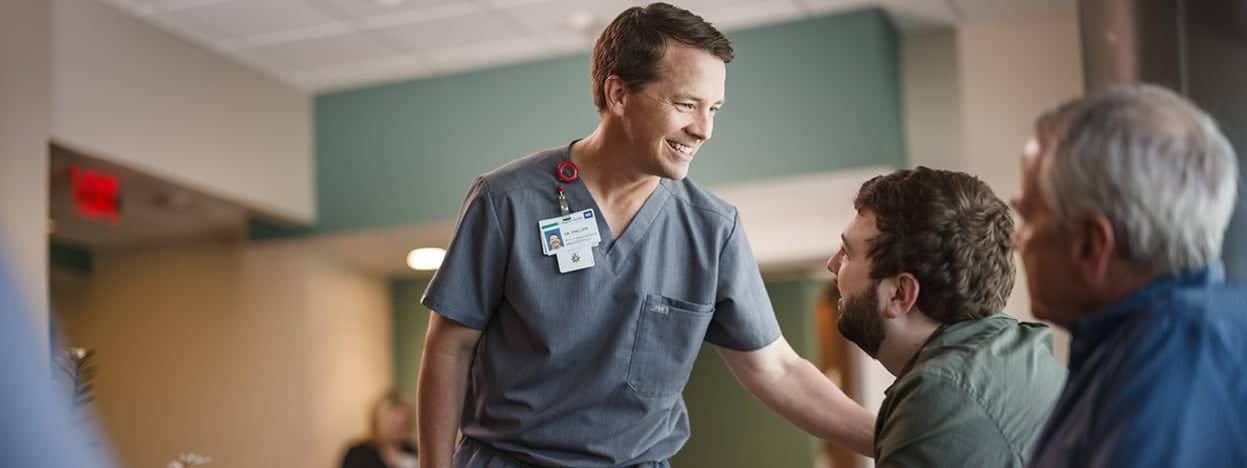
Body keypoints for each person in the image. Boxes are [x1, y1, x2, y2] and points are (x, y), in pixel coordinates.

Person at [416, 3, 875, 467]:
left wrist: (897, 439)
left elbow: (776, 368)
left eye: (713, 108)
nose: (703, 129)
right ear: (617, 94)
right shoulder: (506, 200)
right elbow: (449, 347)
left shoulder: (712, 230)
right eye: (685, 104)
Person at [1017, 85, 1247, 467]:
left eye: (1026, 216)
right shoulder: (1173, 339)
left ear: (1092, 245)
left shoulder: (1172, 365)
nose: (1016, 240)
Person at [826, 167, 1066, 467]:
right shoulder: (1014, 351)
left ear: (900, 293)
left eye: (847, 254)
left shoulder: (938, 399)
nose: (832, 264)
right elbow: (778, 370)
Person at [341, 390, 418, 468]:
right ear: (378, 421)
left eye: (404, 422)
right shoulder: (358, 454)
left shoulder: (414, 453)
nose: (400, 424)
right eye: (393, 422)